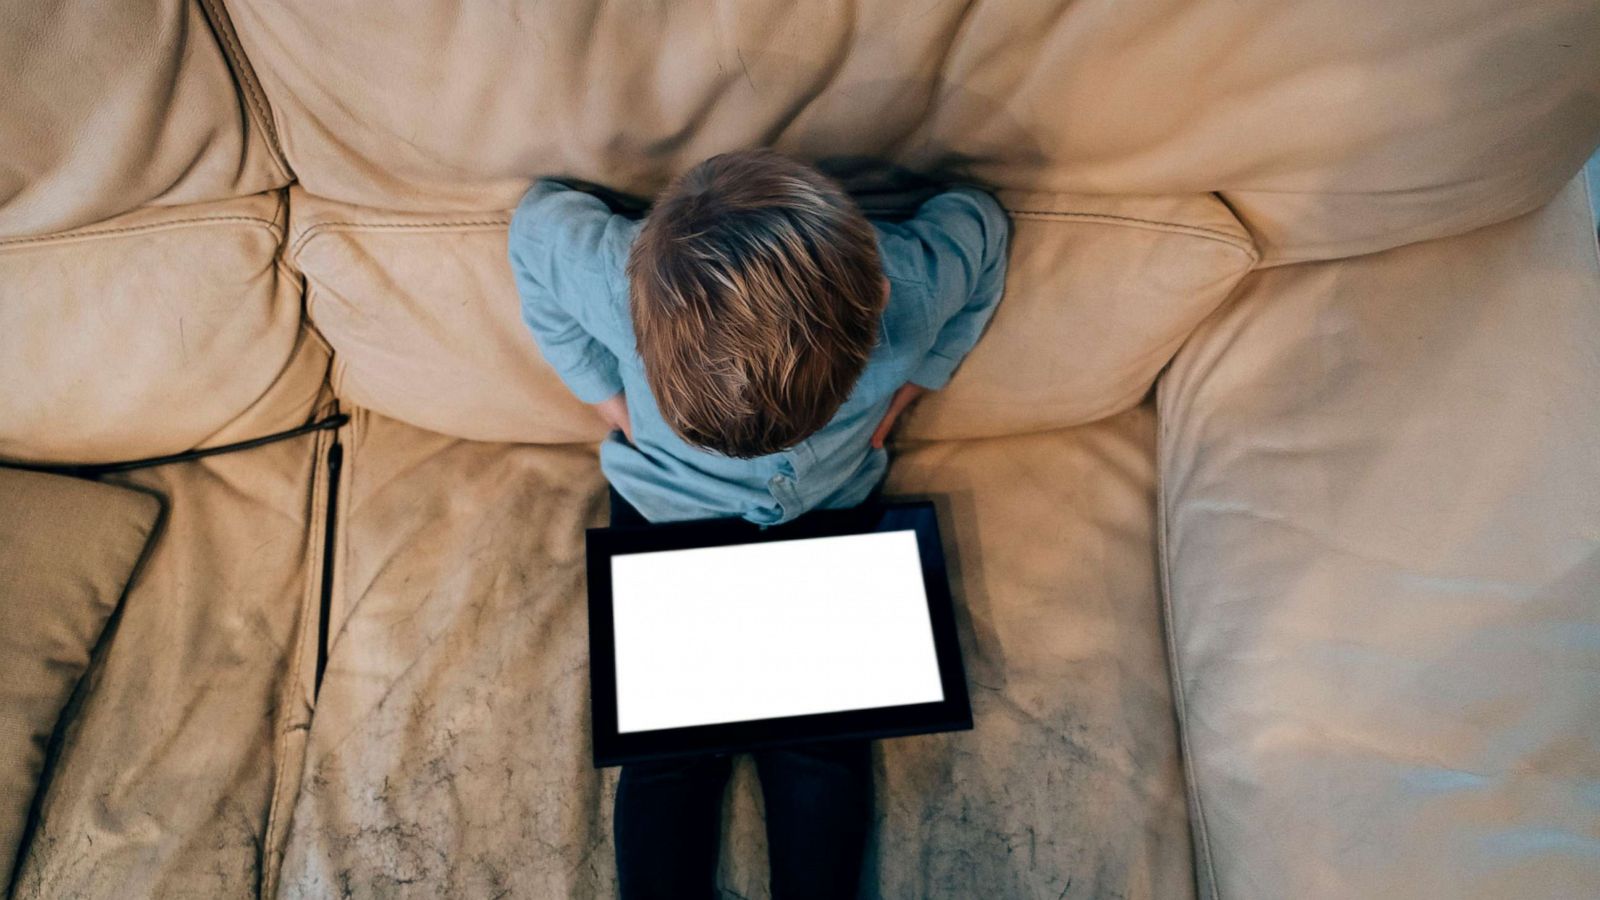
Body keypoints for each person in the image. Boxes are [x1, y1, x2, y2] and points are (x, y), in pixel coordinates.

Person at [508, 148, 1009, 900]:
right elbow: (534, 229)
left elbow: (985, 228)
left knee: (821, 752)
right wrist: (602, 392)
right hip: (668, 510)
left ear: (874, 297)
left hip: (827, 519)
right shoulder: (621, 278)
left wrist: (916, 382)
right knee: (670, 756)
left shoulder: (904, 290)